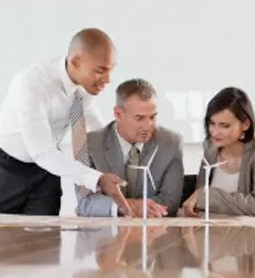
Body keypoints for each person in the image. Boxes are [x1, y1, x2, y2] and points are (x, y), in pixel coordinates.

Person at [0, 28, 131, 216]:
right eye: (100, 71)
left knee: (47, 237)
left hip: (46, 170)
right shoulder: (32, 84)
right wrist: (96, 179)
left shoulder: (85, 86)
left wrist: (127, 147)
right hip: (2, 168)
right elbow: (41, 151)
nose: (108, 79)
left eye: (110, 70)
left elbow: (96, 127)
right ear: (75, 62)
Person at [75, 78, 185, 217]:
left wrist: (134, 207)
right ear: (118, 114)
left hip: (153, 232)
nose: (148, 126)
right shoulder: (89, 144)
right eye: (139, 118)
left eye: (152, 117)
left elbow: (171, 202)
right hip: (106, 235)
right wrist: (127, 207)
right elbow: (85, 203)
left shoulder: (171, 143)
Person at [181, 87, 255, 217]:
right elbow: (199, 202)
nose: (215, 132)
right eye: (212, 123)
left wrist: (209, 196)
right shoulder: (210, 148)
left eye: (224, 125)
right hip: (211, 231)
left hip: (249, 234)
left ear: (245, 124)